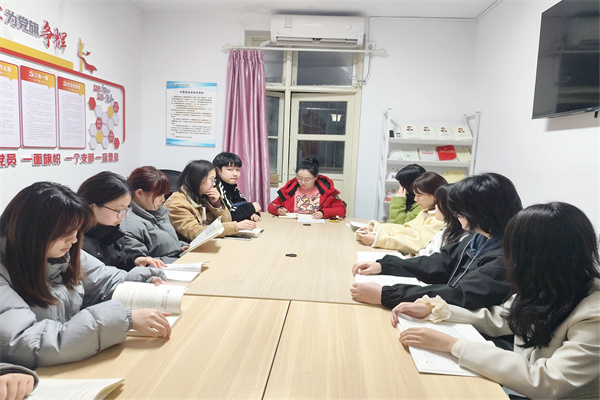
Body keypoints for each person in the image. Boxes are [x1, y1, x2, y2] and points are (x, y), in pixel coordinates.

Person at [393, 202, 600, 399]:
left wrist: (453, 345)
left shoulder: (593, 313)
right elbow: (501, 319)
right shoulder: (548, 285)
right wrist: (437, 311)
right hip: (521, 385)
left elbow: (547, 381)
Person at [0, 182, 171, 369]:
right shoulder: (5, 272)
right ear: (33, 231)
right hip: (32, 376)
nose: (74, 239)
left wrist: (144, 280)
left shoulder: (64, 253)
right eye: (65, 232)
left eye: (76, 230)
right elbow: (26, 344)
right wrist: (123, 318)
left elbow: (104, 280)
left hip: (67, 364)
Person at [351, 172, 523, 310]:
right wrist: (385, 266)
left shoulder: (505, 257)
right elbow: (439, 262)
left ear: (481, 212)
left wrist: (388, 294)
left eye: (461, 208)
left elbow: (461, 294)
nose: (455, 213)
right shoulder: (478, 239)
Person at [77, 171, 166, 271]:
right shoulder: (78, 243)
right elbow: (101, 276)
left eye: (126, 209)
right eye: (118, 210)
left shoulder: (108, 230)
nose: (123, 215)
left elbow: (118, 259)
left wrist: (135, 260)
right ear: (92, 207)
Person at [356, 172, 447, 253]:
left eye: (419, 195)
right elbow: (407, 229)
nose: (415, 199)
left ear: (436, 194)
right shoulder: (426, 211)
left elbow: (417, 244)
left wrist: (379, 239)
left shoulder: (439, 218)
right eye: (415, 195)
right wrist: (375, 229)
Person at [165, 160, 255, 241]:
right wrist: (235, 226)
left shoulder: (203, 197)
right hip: (187, 248)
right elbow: (195, 233)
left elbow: (227, 221)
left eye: (214, 180)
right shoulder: (177, 203)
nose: (214, 184)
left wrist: (217, 204)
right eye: (211, 180)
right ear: (197, 179)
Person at [119, 166, 189, 264]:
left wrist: (180, 247)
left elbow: (162, 244)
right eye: (159, 195)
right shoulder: (129, 224)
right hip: (164, 269)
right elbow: (143, 262)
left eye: (164, 195)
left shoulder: (158, 211)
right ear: (139, 193)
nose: (163, 199)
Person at [267, 158, 346, 219]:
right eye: (299, 178)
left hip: (318, 227)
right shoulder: (290, 190)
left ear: (315, 177)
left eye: (307, 179)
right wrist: (278, 210)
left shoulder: (326, 191)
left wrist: (323, 213)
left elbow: (341, 210)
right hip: (293, 225)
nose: (303, 182)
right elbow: (271, 206)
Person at [417, 184, 467, 257]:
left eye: (438, 203)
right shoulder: (445, 230)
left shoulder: (463, 238)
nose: (435, 206)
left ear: (448, 208)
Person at [213, 152, 261, 222]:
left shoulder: (232, 186)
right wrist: (252, 207)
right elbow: (230, 215)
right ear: (218, 171)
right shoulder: (216, 186)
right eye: (229, 169)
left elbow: (243, 203)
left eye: (237, 170)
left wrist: (253, 213)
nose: (235, 174)